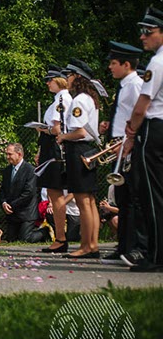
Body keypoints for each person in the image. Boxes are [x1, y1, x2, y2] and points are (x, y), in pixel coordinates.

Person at [123, 6, 163, 271]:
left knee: (152, 195)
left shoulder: (157, 62)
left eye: (148, 31)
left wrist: (131, 132)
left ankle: (156, 255)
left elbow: (142, 106)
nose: (142, 36)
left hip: (154, 129)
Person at [98, 42, 145, 265]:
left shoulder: (135, 85)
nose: (110, 67)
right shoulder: (124, 86)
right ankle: (123, 246)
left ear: (126, 64)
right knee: (123, 199)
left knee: (132, 199)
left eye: (114, 63)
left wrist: (128, 142)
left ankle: (135, 247)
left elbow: (141, 115)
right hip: (118, 145)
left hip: (128, 146)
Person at [57, 59, 103, 259]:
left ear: (77, 77)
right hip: (88, 150)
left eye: (69, 75)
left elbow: (80, 132)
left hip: (79, 151)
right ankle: (93, 244)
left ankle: (87, 245)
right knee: (90, 201)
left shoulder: (79, 100)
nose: (66, 79)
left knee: (83, 202)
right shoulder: (91, 98)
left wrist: (63, 136)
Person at [35, 66, 73, 253]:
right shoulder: (60, 99)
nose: (47, 83)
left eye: (50, 80)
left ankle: (60, 237)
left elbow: (57, 129)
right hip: (50, 147)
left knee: (55, 192)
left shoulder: (62, 99)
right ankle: (60, 236)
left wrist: (43, 129)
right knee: (53, 192)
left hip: (54, 148)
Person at [0, 143, 48, 242]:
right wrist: (4, 203)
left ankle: (45, 232)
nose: (7, 157)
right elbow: (3, 190)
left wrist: (11, 205)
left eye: (10, 154)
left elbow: (29, 193)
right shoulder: (7, 171)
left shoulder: (30, 170)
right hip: (12, 214)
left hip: (26, 213)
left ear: (19, 154)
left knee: (25, 239)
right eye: (7, 154)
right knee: (11, 240)